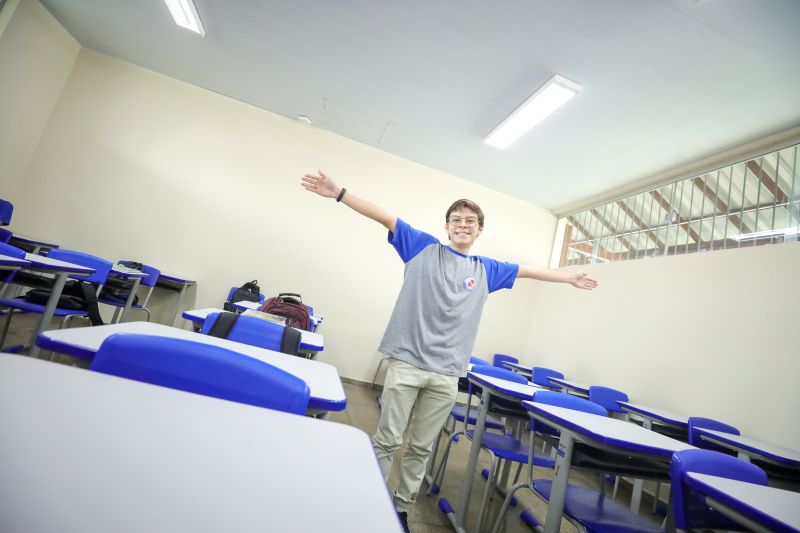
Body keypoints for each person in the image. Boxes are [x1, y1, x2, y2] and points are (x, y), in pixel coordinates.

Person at [301, 170, 597, 533]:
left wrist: (568, 277)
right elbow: (384, 215)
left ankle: (400, 510)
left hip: (447, 374)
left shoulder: (487, 269)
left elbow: (530, 270)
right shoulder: (422, 247)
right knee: (388, 440)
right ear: (447, 227)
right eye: (456, 220)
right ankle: (369, 503)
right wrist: (339, 193)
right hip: (407, 363)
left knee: (421, 448)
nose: (463, 225)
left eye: (470, 222)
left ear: (479, 230)